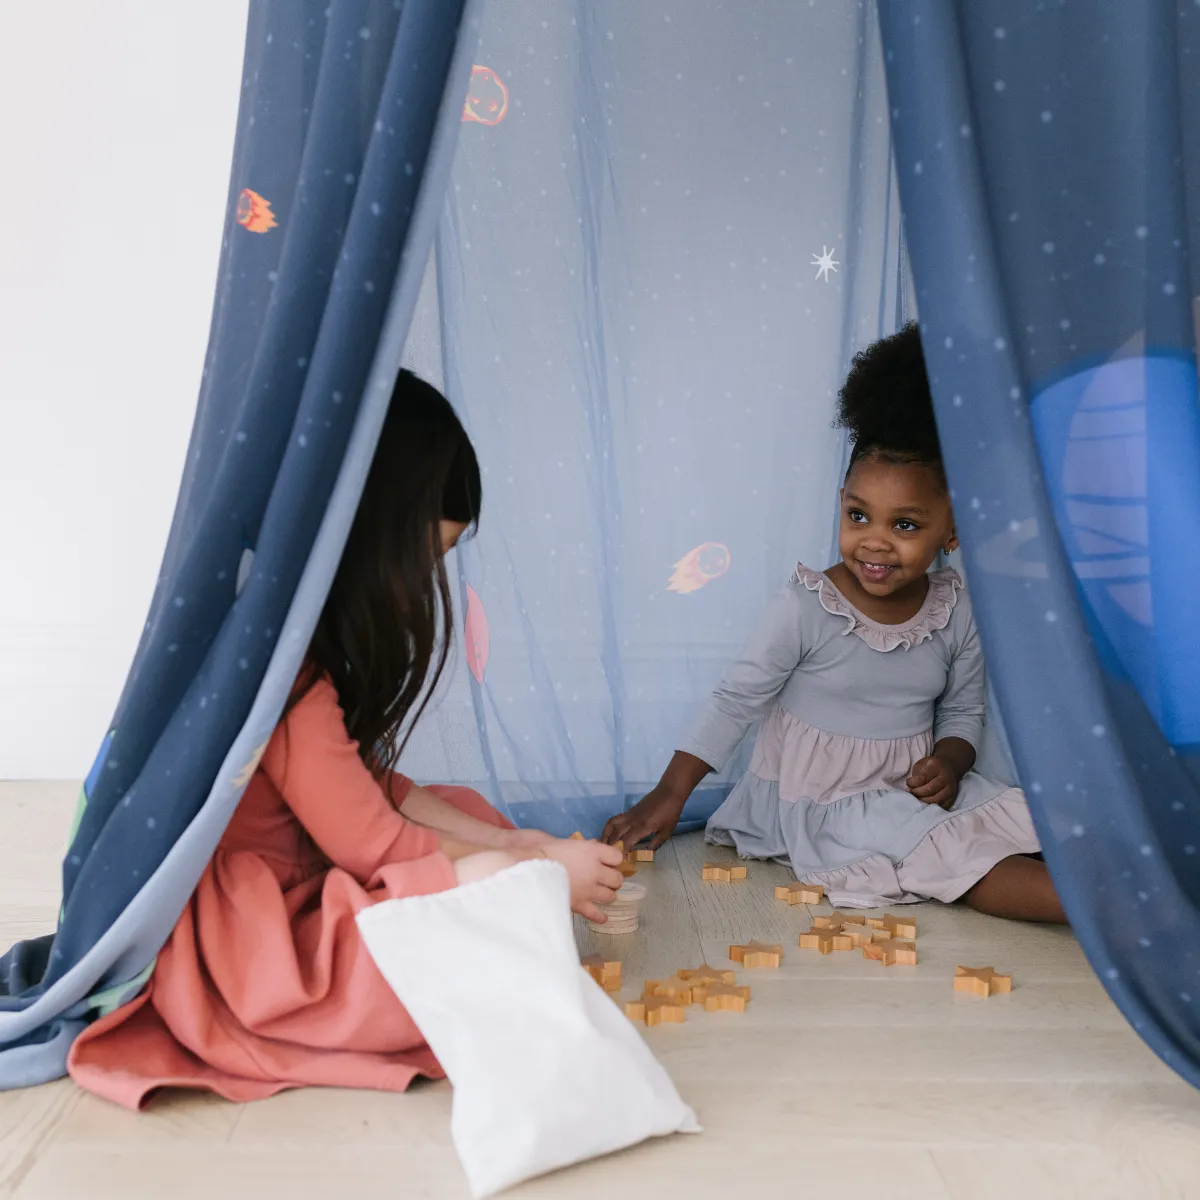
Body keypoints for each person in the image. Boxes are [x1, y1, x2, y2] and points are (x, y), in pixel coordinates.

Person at [68, 370, 623, 1110]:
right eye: (425, 561)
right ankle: (491, 922)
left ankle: (502, 893)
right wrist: (538, 868)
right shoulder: (286, 672)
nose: (425, 589)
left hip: (294, 874)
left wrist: (521, 846)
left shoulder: (288, 649)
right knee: (493, 885)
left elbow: (374, 791)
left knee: (465, 815)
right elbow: (377, 847)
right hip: (255, 948)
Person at [603, 325, 1065, 923]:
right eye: (858, 514)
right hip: (823, 802)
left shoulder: (957, 610)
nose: (874, 540)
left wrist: (950, 764)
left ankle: (1137, 879)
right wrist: (671, 794)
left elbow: (961, 713)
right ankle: (1116, 914)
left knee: (1030, 817)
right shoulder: (808, 606)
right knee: (953, 854)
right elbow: (735, 701)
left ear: (950, 534)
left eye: (905, 525)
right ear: (841, 502)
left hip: (908, 785)